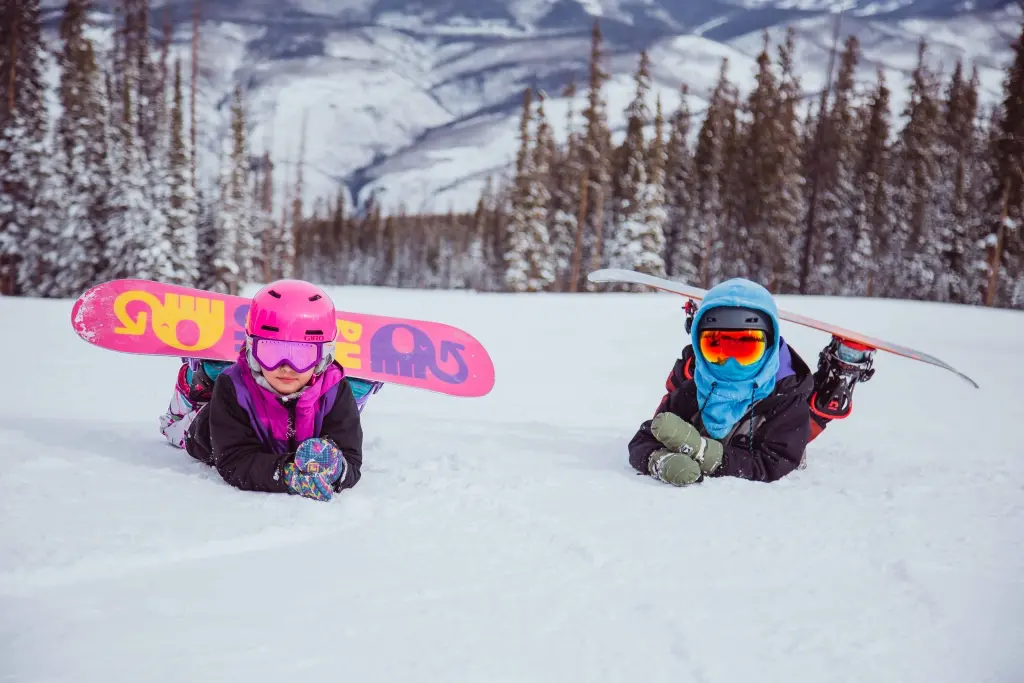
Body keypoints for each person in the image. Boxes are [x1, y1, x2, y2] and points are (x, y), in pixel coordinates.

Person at [627, 277, 875, 487]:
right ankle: (704, 324)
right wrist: (658, 460)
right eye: (716, 348)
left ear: (768, 347)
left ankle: (840, 372)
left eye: (746, 348)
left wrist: (707, 454)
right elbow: (643, 439)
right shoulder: (694, 389)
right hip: (706, 381)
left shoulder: (787, 398)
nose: (731, 363)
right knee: (690, 373)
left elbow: (776, 462)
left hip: (773, 405)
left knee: (812, 415)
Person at [159, 279, 384, 501]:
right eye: (271, 352)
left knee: (340, 395)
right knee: (180, 424)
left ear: (323, 356)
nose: (286, 367)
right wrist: (288, 474)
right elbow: (233, 461)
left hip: (295, 425)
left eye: (302, 355)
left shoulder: (336, 389)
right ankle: (195, 382)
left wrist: (335, 469)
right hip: (206, 434)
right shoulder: (232, 388)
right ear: (253, 348)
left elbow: (351, 460)